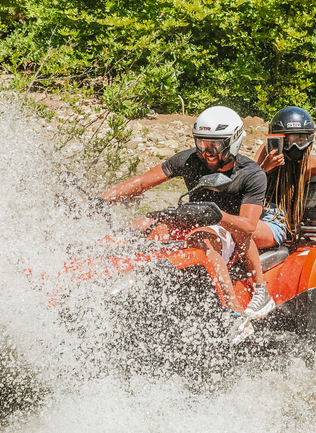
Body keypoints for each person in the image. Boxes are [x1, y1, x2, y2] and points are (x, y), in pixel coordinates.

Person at [101, 106, 275, 322]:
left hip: (229, 230)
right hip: (193, 220)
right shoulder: (190, 159)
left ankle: (234, 310)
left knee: (202, 236)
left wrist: (216, 214)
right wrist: (98, 202)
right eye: (201, 143)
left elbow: (248, 225)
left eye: (215, 145)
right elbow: (142, 182)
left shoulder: (251, 174)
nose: (207, 152)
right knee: (144, 224)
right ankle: (113, 280)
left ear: (233, 141)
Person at [252, 107, 316, 248]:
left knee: (245, 231)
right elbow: (247, 183)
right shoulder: (268, 151)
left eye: (300, 139)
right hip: (256, 211)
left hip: (278, 218)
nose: (293, 145)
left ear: (309, 139)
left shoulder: (310, 162)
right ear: (276, 138)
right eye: (287, 139)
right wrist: (264, 168)